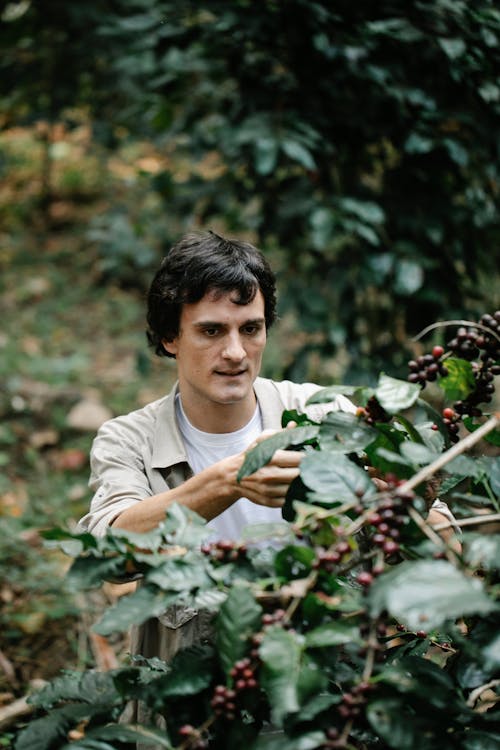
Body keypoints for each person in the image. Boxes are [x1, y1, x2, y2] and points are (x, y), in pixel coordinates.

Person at [78, 231, 457, 729]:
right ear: (170, 337)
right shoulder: (129, 440)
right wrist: (226, 482)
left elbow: (442, 544)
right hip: (194, 712)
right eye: (212, 331)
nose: (236, 352)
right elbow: (107, 550)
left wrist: (408, 501)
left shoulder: (323, 414)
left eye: (250, 329)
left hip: (325, 700)